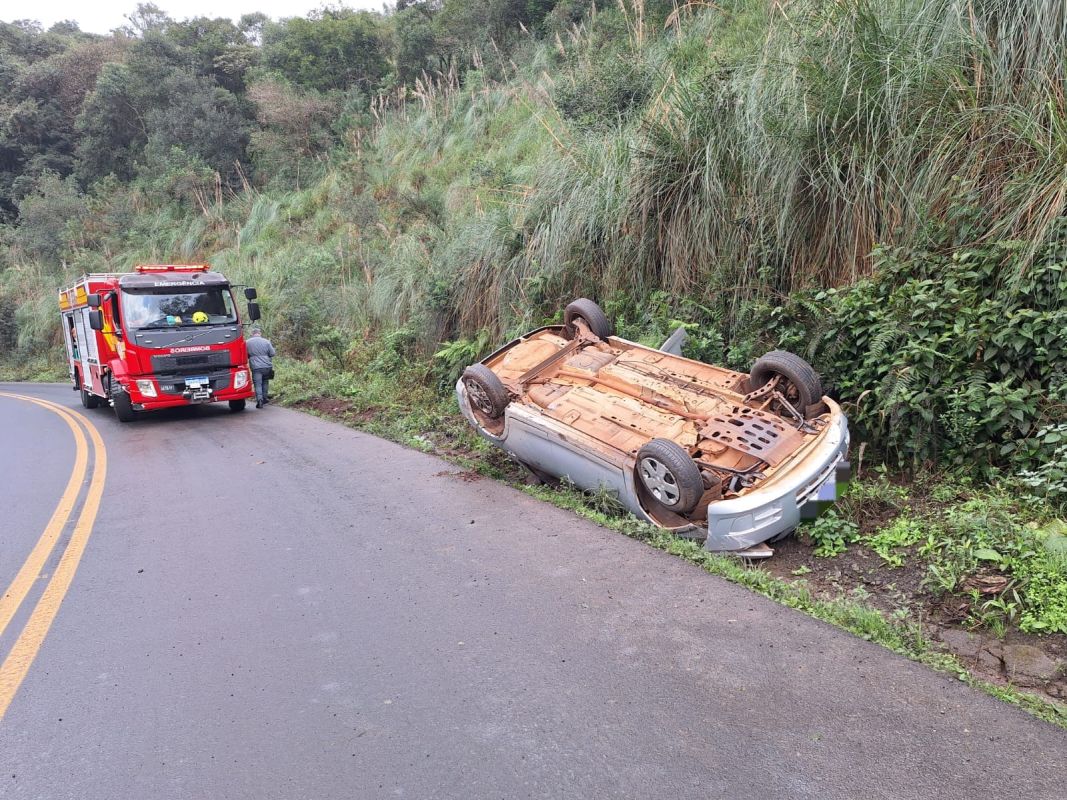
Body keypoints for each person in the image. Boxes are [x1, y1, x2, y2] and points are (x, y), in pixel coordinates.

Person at [246, 328, 276, 408]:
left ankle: (259, 400)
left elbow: (245, 355)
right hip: (267, 366)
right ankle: (265, 398)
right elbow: (272, 353)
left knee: (258, 384)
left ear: (252, 334)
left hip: (256, 367)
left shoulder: (247, 343)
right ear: (260, 333)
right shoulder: (266, 341)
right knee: (265, 381)